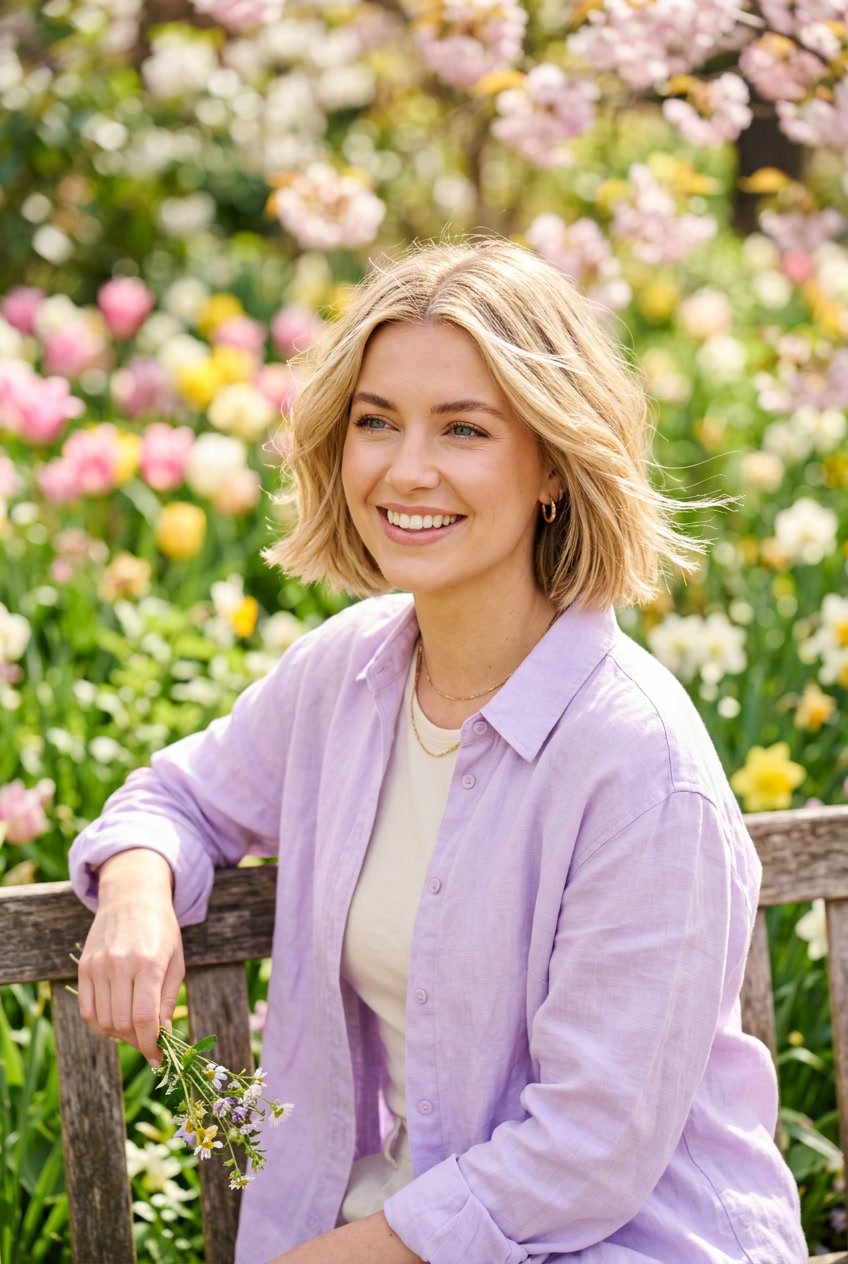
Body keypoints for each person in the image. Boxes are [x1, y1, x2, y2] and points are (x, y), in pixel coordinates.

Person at [69, 239, 807, 1264]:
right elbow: (176, 797)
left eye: (462, 428)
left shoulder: (636, 764)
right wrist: (140, 891)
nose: (404, 469)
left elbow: (583, 1154)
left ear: (551, 461)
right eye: (376, 421)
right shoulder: (348, 676)